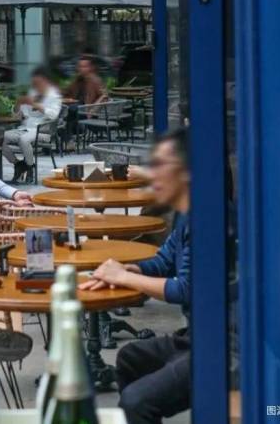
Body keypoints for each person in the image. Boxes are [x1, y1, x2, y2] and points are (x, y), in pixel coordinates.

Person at [80, 127, 190, 424]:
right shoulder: (185, 214)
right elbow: (165, 260)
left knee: (136, 400)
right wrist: (133, 269)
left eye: (160, 165)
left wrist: (126, 278)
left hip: (224, 344)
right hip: (196, 334)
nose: (152, 175)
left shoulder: (209, 218)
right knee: (129, 358)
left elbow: (186, 289)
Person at [2, 66, 62, 182]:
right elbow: (19, 115)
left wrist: (36, 105)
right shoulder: (32, 93)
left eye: (38, 83)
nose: (36, 86)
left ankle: (30, 167)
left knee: (24, 140)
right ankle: (18, 164)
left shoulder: (54, 96)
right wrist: (18, 104)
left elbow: (53, 115)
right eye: (34, 83)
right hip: (25, 128)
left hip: (43, 131)